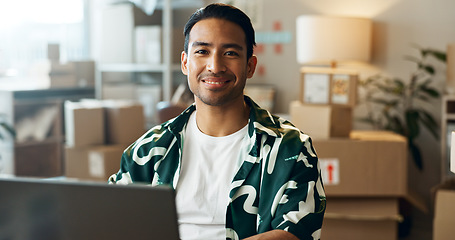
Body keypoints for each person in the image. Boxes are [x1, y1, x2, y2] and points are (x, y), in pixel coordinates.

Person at [109, 3, 326, 240]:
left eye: (230, 53)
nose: (215, 67)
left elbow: (296, 233)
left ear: (250, 66)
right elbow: (112, 219)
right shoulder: (150, 149)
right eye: (202, 52)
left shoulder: (290, 148)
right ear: (185, 63)